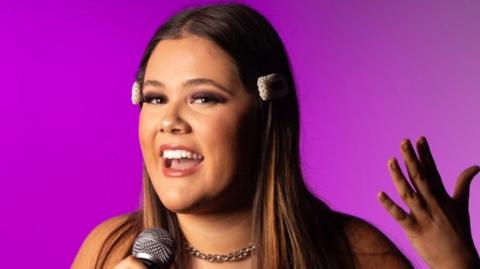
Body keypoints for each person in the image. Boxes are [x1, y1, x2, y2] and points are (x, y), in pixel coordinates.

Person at [71, 3, 480, 269]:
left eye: (203, 98)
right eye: (156, 98)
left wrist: (458, 265)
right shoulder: (109, 250)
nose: (169, 121)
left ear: (265, 111)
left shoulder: (357, 254)